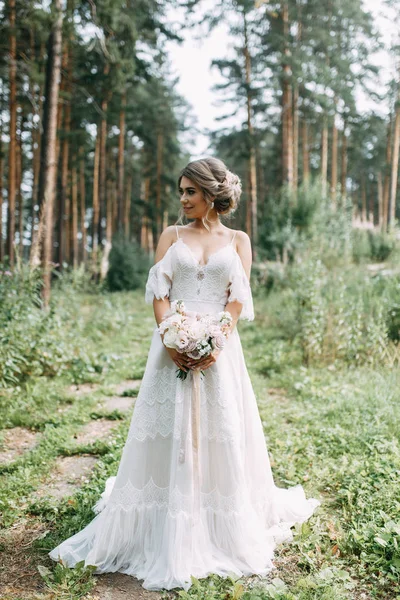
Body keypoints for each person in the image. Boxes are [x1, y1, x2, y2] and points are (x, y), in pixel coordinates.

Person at [49, 157, 320, 592]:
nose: (183, 199)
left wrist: (216, 343)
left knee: (221, 429)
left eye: (190, 191)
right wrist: (171, 338)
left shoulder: (239, 240)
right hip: (171, 346)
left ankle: (216, 517)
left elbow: (236, 301)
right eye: (181, 191)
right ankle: (162, 512)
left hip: (220, 352)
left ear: (211, 193)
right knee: (169, 432)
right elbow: (159, 292)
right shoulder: (171, 236)